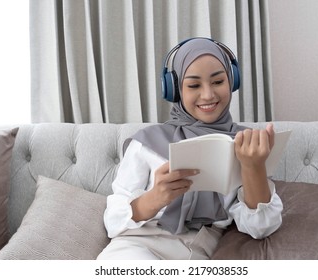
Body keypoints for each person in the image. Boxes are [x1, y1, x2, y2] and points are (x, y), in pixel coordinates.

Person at [97, 37, 283, 260]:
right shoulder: (146, 141)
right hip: (139, 245)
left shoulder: (246, 144)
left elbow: (261, 227)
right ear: (174, 90)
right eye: (194, 85)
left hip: (202, 248)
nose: (208, 95)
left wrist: (254, 167)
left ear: (232, 81)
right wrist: (155, 198)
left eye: (218, 82)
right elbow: (113, 219)